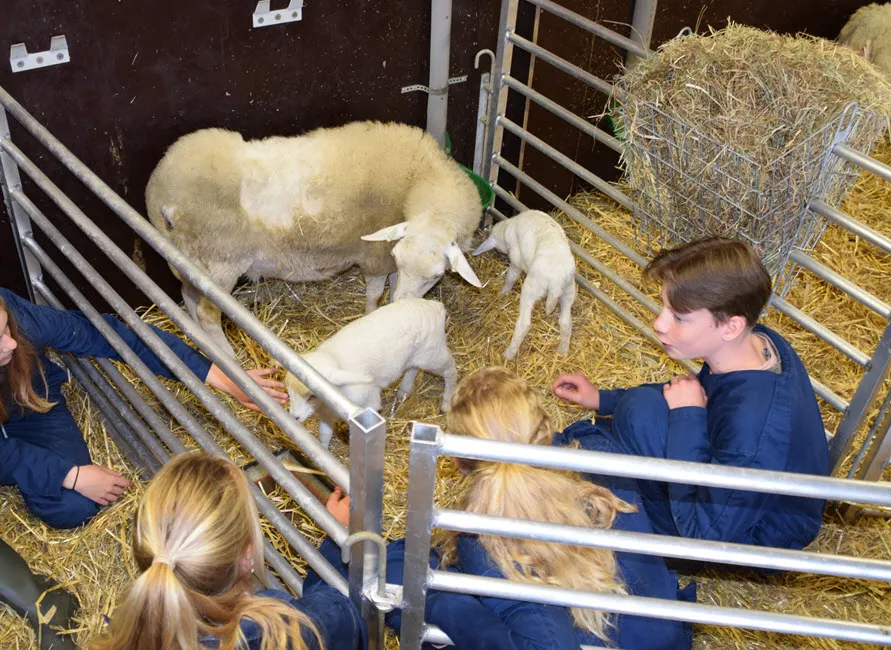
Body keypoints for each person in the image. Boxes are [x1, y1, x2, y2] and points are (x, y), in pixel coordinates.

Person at [0, 278, 287, 650]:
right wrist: (69, 474)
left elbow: (105, 333)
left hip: (26, 404)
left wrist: (218, 377)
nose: (13, 344)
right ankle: (38, 601)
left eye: (7, 330)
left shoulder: (7, 319)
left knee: (72, 506)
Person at [324, 368, 693, 650]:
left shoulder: (485, 541)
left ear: (458, 461)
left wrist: (432, 598)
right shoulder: (600, 454)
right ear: (544, 428)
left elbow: (546, 643)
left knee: (423, 573)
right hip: (669, 635)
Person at [551, 237, 830, 550]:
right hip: (734, 486)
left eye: (679, 317)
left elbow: (703, 533)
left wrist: (688, 417)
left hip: (751, 534)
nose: (659, 323)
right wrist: (603, 399)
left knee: (640, 417)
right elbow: (704, 396)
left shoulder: (753, 426)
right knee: (641, 409)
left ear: (731, 327)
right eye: (664, 308)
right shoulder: (754, 345)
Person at [93, 452, 367, 650]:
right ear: (247, 556)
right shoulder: (279, 629)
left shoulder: (131, 627)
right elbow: (342, 611)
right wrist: (336, 538)